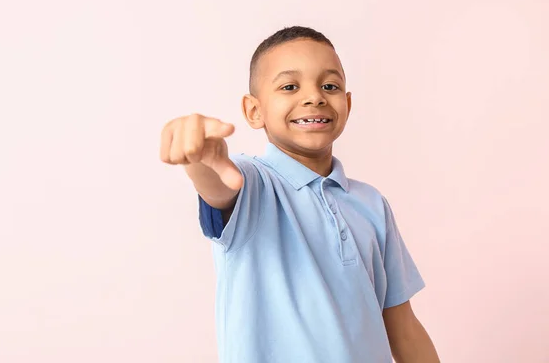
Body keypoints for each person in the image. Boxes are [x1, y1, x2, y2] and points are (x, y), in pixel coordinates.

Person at [160, 26, 440, 363]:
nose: (314, 97)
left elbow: (404, 327)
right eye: (290, 86)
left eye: (330, 86)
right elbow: (219, 186)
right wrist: (200, 160)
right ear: (253, 110)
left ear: (347, 104)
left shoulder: (372, 204)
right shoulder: (252, 185)